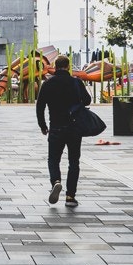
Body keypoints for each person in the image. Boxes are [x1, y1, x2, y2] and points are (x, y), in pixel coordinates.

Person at [36, 54, 90, 208]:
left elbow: (40, 106)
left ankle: (56, 181)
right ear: (67, 66)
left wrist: (42, 125)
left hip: (56, 127)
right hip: (74, 128)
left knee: (53, 159)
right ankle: (70, 196)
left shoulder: (48, 84)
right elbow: (87, 100)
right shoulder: (76, 82)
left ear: (56, 66)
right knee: (74, 162)